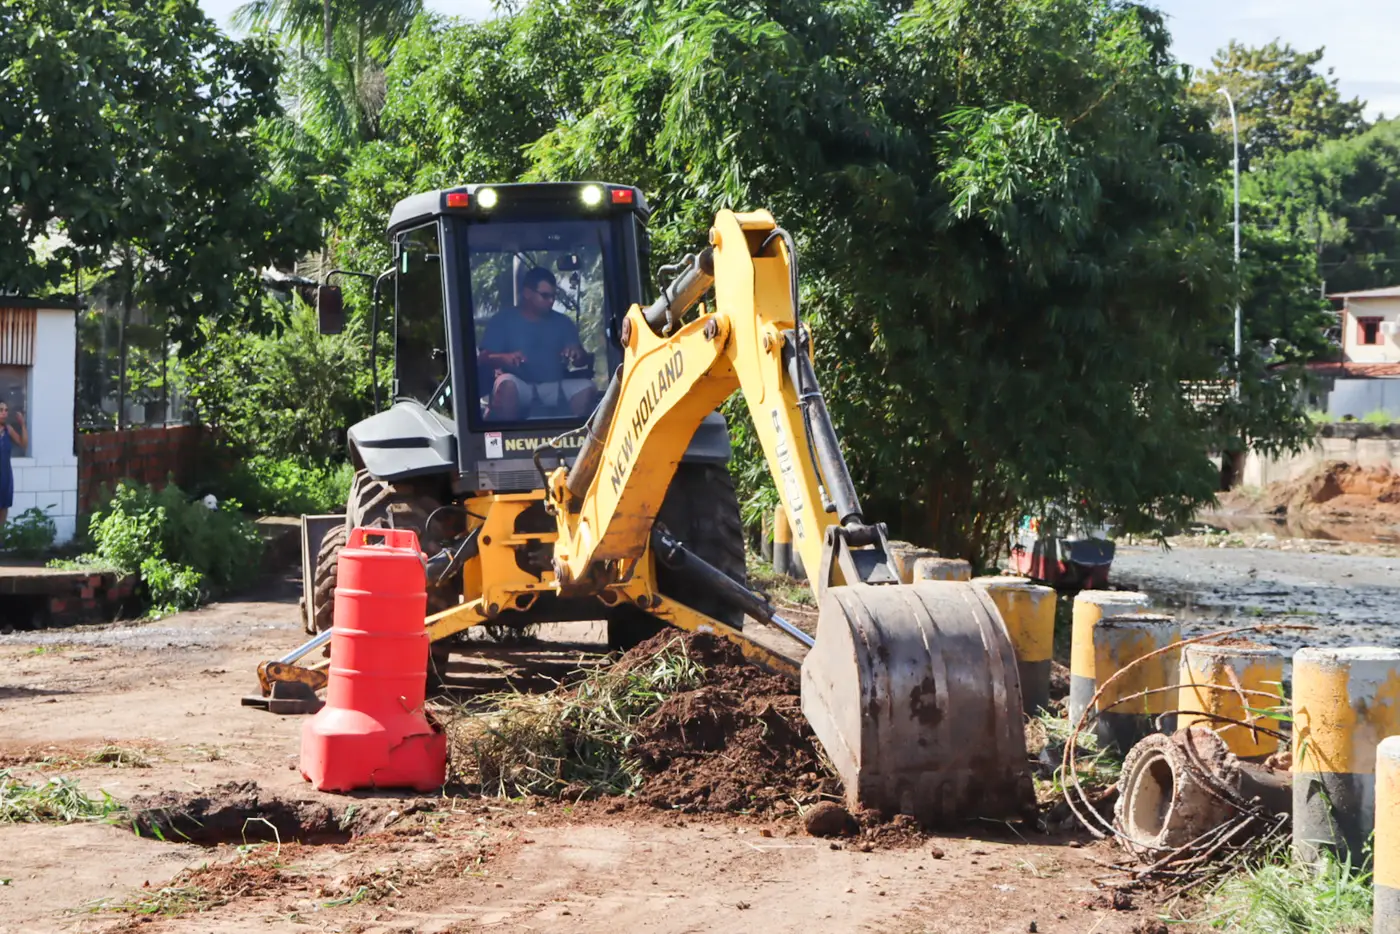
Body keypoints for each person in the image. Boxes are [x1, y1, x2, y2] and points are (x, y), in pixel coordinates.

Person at [478, 267, 596, 420]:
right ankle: (511, 439)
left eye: (553, 296)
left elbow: (581, 360)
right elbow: (483, 358)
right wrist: (504, 357)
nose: (551, 301)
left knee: (587, 388)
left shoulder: (563, 322)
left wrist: (577, 354)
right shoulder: (503, 320)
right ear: (527, 293)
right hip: (520, 386)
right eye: (545, 296)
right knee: (506, 384)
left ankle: (575, 438)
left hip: (555, 386)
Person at [0, 402, 27, 527]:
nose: (4, 413)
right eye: (1, 410)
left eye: (6, 410)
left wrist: (22, 425)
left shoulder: (8, 429)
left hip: (5, 475)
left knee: (4, 507)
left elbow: (23, 444)